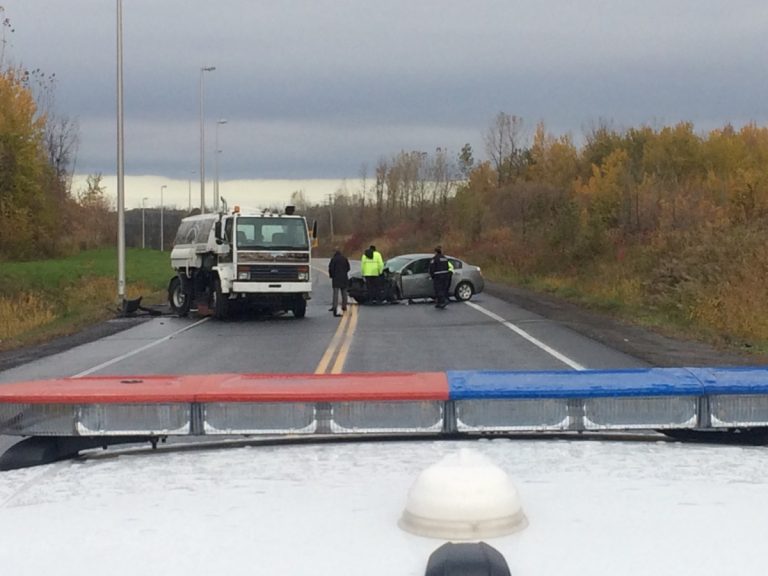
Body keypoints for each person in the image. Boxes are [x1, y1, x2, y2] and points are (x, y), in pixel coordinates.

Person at [328, 248, 350, 317]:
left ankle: (334, 306)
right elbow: (348, 268)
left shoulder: (333, 259)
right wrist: (344, 272)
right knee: (344, 293)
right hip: (344, 278)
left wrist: (332, 275)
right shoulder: (344, 259)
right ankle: (344, 306)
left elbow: (331, 268)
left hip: (336, 278)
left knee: (335, 294)